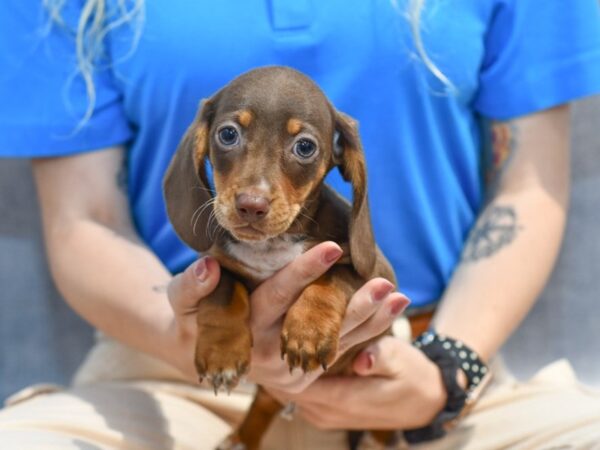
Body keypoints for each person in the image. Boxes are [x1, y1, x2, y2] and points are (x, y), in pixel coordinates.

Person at [1, 0, 600, 448]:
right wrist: (187, 331)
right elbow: (85, 219)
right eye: (229, 138)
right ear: (206, 144)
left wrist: (446, 374)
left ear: (340, 160)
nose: (256, 196)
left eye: (304, 150)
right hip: (177, 371)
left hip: (417, 362)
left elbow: (530, 189)